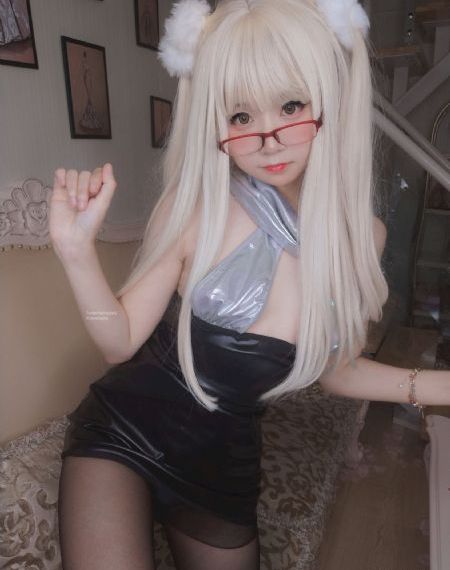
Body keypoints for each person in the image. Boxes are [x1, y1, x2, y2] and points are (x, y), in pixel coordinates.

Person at [49, 1, 450, 569]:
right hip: (123, 432)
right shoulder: (196, 208)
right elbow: (118, 341)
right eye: (240, 116)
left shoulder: (363, 238)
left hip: (224, 460)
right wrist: (75, 254)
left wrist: (437, 386)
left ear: (329, 101)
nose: (268, 137)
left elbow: (337, 369)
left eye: (290, 105)